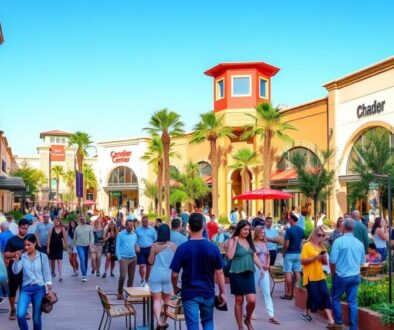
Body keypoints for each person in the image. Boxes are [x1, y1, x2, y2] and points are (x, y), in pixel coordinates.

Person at [170, 213, 226, 330]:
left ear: (188, 227)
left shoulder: (182, 248)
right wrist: (222, 292)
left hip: (189, 293)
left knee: (192, 325)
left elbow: (174, 274)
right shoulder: (213, 248)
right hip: (208, 292)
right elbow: (219, 273)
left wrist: (175, 287)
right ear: (204, 227)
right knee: (208, 321)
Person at [227, 220, 263, 330]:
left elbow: (254, 256)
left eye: (248, 230)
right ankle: (240, 326)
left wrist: (261, 267)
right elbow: (229, 256)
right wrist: (235, 242)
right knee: (239, 300)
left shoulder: (249, 241)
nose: (247, 232)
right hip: (236, 273)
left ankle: (247, 319)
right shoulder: (232, 240)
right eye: (245, 229)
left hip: (249, 273)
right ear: (239, 229)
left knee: (252, 300)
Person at [330, 218, 365, 330]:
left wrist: (333, 274)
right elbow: (362, 262)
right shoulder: (359, 243)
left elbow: (332, 261)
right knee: (352, 302)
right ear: (353, 228)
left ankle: (339, 323)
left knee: (335, 298)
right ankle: (353, 327)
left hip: (342, 275)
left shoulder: (338, 241)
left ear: (343, 228)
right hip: (355, 275)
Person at [12, 234, 53, 330]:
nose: (26, 247)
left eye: (28, 245)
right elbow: (15, 271)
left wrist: (49, 290)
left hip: (39, 289)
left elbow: (47, 273)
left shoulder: (42, 256)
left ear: (34, 243)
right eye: (25, 245)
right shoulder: (23, 257)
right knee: (20, 315)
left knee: (36, 319)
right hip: (26, 289)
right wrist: (17, 260)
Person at [300, 225, 334, 327]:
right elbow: (302, 261)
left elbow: (324, 263)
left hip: (320, 275)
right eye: (319, 235)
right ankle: (305, 313)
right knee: (313, 296)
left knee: (325, 295)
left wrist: (323, 257)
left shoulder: (322, 247)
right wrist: (315, 257)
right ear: (314, 235)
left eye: (322, 235)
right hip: (310, 276)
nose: (320, 237)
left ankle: (330, 320)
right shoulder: (307, 246)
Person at [148, 224, 177, 329]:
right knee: (166, 301)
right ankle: (164, 321)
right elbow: (176, 263)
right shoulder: (174, 246)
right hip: (168, 275)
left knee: (156, 300)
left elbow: (150, 261)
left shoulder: (155, 246)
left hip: (156, 274)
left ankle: (158, 321)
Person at [4, 218, 30, 321]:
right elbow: (5, 254)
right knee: (13, 290)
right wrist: (15, 253)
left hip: (27, 269)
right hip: (14, 268)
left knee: (25, 290)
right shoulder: (12, 240)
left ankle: (24, 310)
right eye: (23, 228)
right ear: (18, 227)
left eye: (26, 229)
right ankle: (13, 309)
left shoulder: (30, 239)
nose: (25, 230)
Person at [253, 226, 279, 325]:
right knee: (252, 292)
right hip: (256, 269)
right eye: (260, 232)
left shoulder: (265, 243)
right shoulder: (252, 244)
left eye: (263, 233)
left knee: (267, 293)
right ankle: (250, 312)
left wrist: (268, 265)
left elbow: (268, 255)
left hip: (265, 269)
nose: (262, 234)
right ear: (256, 233)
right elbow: (253, 257)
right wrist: (260, 267)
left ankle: (271, 315)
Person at [281, 213, 305, 299]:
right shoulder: (301, 230)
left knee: (287, 272)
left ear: (292, 220)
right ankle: (295, 292)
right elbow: (302, 243)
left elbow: (286, 244)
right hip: (298, 253)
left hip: (289, 253)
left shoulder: (289, 230)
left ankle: (288, 293)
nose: (288, 220)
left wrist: (284, 252)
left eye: (289, 219)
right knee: (297, 271)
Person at [116, 219, 139, 300]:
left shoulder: (134, 235)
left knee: (131, 277)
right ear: (125, 225)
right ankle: (119, 292)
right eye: (128, 225)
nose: (130, 226)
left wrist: (137, 247)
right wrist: (120, 258)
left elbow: (136, 244)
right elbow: (117, 247)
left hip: (133, 258)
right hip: (123, 258)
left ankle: (129, 294)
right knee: (122, 276)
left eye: (131, 225)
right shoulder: (120, 234)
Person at [136, 216, 157, 286]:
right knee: (141, 265)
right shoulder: (138, 229)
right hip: (141, 249)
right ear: (142, 222)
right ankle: (142, 279)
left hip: (150, 249)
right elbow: (135, 239)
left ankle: (146, 279)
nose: (145, 222)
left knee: (149, 266)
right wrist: (136, 246)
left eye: (146, 221)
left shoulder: (152, 229)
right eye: (144, 221)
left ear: (148, 221)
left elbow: (155, 239)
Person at [73, 216, 94, 282]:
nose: (82, 220)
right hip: (79, 245)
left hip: (87, 246)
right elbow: (74, 238)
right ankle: (84, 275)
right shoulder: (77, 228)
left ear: (86, 220)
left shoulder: (89, 228)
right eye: (81, 219)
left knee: (85, 260)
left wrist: (91, 244)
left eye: (83, 219)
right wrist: (73, 247)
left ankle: (85, 273)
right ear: (79, 220)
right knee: (82, 259)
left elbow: (92, 237)